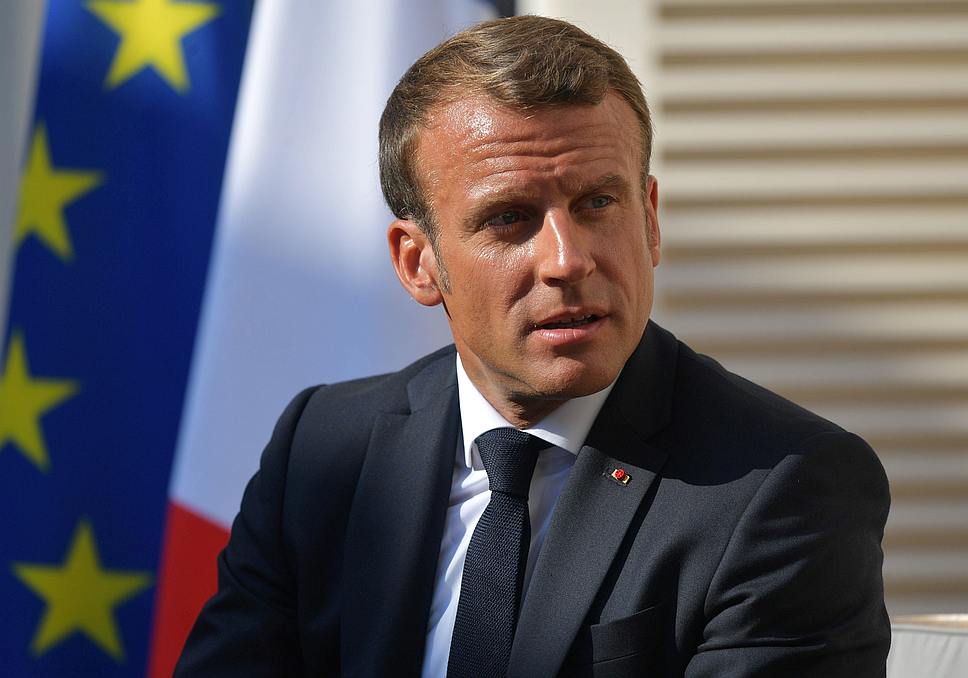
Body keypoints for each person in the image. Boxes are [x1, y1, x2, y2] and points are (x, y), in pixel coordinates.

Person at [176, 15, 890, 677]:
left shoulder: (785, 488)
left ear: (650, 220)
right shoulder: (325, 448)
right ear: (418, 263)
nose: (567, 259)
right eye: (511, 218)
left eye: (598, 204)